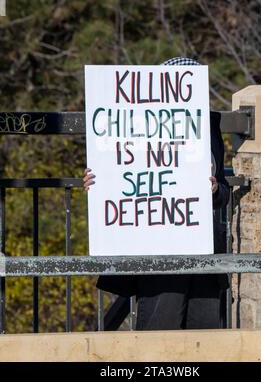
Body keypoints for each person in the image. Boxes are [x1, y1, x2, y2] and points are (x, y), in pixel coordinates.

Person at [83, 56, 230, 330]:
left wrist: (213, 189)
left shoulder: (208, 127)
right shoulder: (138, 131)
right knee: (158, 331)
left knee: (207, 335)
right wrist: (97, 183)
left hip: (204, 254)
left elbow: (223, 193)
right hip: (160, 254)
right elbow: (115, 175)